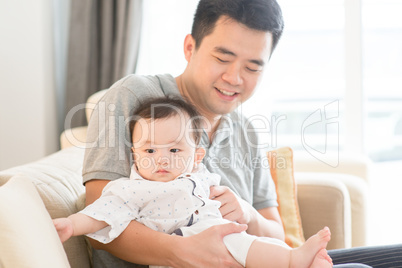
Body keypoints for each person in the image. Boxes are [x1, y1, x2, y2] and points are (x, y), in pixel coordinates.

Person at [82, 0, 402, 267]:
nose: (235, 78)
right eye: (223, 58)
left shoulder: (245, 131)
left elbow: (277, 236)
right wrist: (183, 252)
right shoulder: (133, 96)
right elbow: (100, 219)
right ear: (190, 47)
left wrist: (247, 213)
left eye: (252, 68)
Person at [56, 97, 334, 268]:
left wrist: (243, 210)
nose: (162, 160)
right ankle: (293, 261)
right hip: (184, 246)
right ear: (134, 156)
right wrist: (71, 224)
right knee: (242, 244)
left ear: (197, 157)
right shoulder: (132, 189)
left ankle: (295, 260)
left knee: (248, 243)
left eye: (174, 150)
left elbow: (267, 228)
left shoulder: (199, 176)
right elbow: (101, 214)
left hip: (222, 239)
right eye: (150, 151)